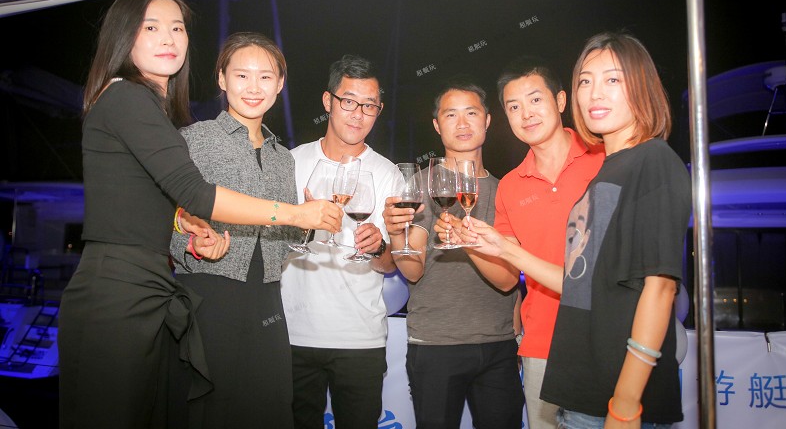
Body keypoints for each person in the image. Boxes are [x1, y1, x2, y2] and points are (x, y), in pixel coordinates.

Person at [58, 0, 341, 429]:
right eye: (151, 27)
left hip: (159, 288)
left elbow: (159, 202)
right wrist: (292, 214)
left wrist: (188, 226)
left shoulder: (157, 110)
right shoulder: (134, 101)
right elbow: (193, 191)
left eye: (177, 28)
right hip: (128, 289)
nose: (168, 38)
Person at [457, 32, 690, 428]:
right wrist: (499, 247)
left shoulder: (648, 160)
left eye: (612, 79)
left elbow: (660, 288)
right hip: (576, 372)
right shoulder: (609, 170)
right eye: (586, 80)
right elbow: (582, 283)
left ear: (559, 101)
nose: (595, 93)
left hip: (616, 380)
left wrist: (626, 402)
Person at [167, 32, 297, 427]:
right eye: (242, 75)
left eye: (265, 77)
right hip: (208, 295)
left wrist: (305, 226)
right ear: (222, 79)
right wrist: (192, 242)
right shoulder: (194, 139)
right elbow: (166, 217)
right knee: (210, 409)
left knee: (270, 405)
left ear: (279, 84)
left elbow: (282, 240)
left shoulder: (284, 159)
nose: (254, 88)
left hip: (267, 299)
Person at [382, 77, 524, 429]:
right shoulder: (421, 184)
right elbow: (413, 270)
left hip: (498, 344)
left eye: (471, 113)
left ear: (487, 120)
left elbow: (510, 280)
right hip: (435, 343)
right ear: (437, 125)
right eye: (451, 115)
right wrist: (396, 234)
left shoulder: (508, 190)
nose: (462, 123)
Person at [281, 54, 404, 429]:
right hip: (293, 333)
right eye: (349, 101)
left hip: (360, 338)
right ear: (328, 101)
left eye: (369, 105)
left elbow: (391, 265)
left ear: (378, 110)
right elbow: (266, 245)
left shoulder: (388, 174)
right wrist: (297, 224)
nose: (358, 114)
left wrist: (378, 247)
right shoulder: (290, 163)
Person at [487, 57, 605, 428]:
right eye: (514, 107)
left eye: (535, 100)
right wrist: (470, 244)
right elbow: (506, 277)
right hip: (541, 345)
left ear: (561, 101)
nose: (526, 114)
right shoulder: (510, 186)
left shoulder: (605, 160)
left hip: (606, 340)